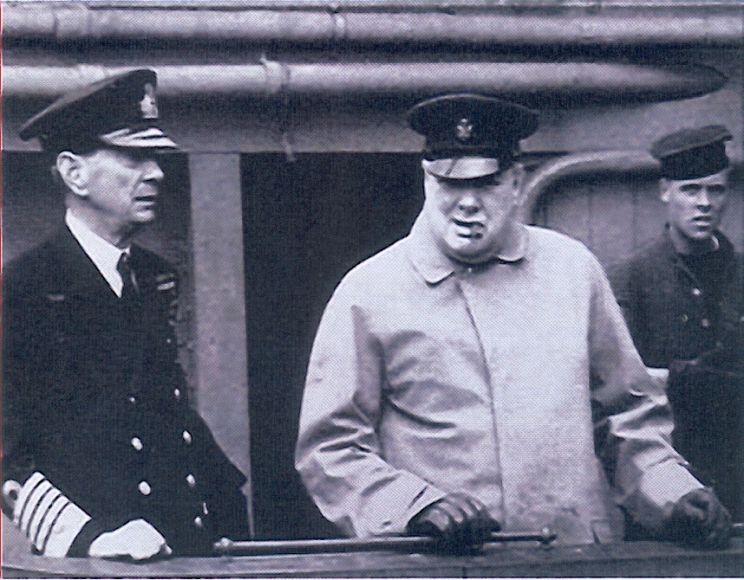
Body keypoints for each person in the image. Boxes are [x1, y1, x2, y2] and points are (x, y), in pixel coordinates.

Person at [295, 94, 731, 552]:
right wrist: (413, 506)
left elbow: (626, 415)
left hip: (573, 560)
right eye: (450, 184)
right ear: (426, 180)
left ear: (517, 182)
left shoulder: (572, 272)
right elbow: (331, 450)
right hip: (442, 565)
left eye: (487, 183)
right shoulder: (369, 291)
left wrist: (672, 491)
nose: (467, 203)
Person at [2, 69, 250, 560]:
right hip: (99, 561)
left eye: (154, 158)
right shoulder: (24, 289)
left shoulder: (151, 277)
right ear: (74, 173)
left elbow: (166, 414)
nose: (155, 173)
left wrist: (225, 514)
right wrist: (91, 538)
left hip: (181, 552)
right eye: (133, 158)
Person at [610, 125, 743, 522]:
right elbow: (623, 389)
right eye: (690, 190)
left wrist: (672, 377)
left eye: (715, 190)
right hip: (667, 480)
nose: (704, 204)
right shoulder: (631, 279)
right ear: (665, 191)